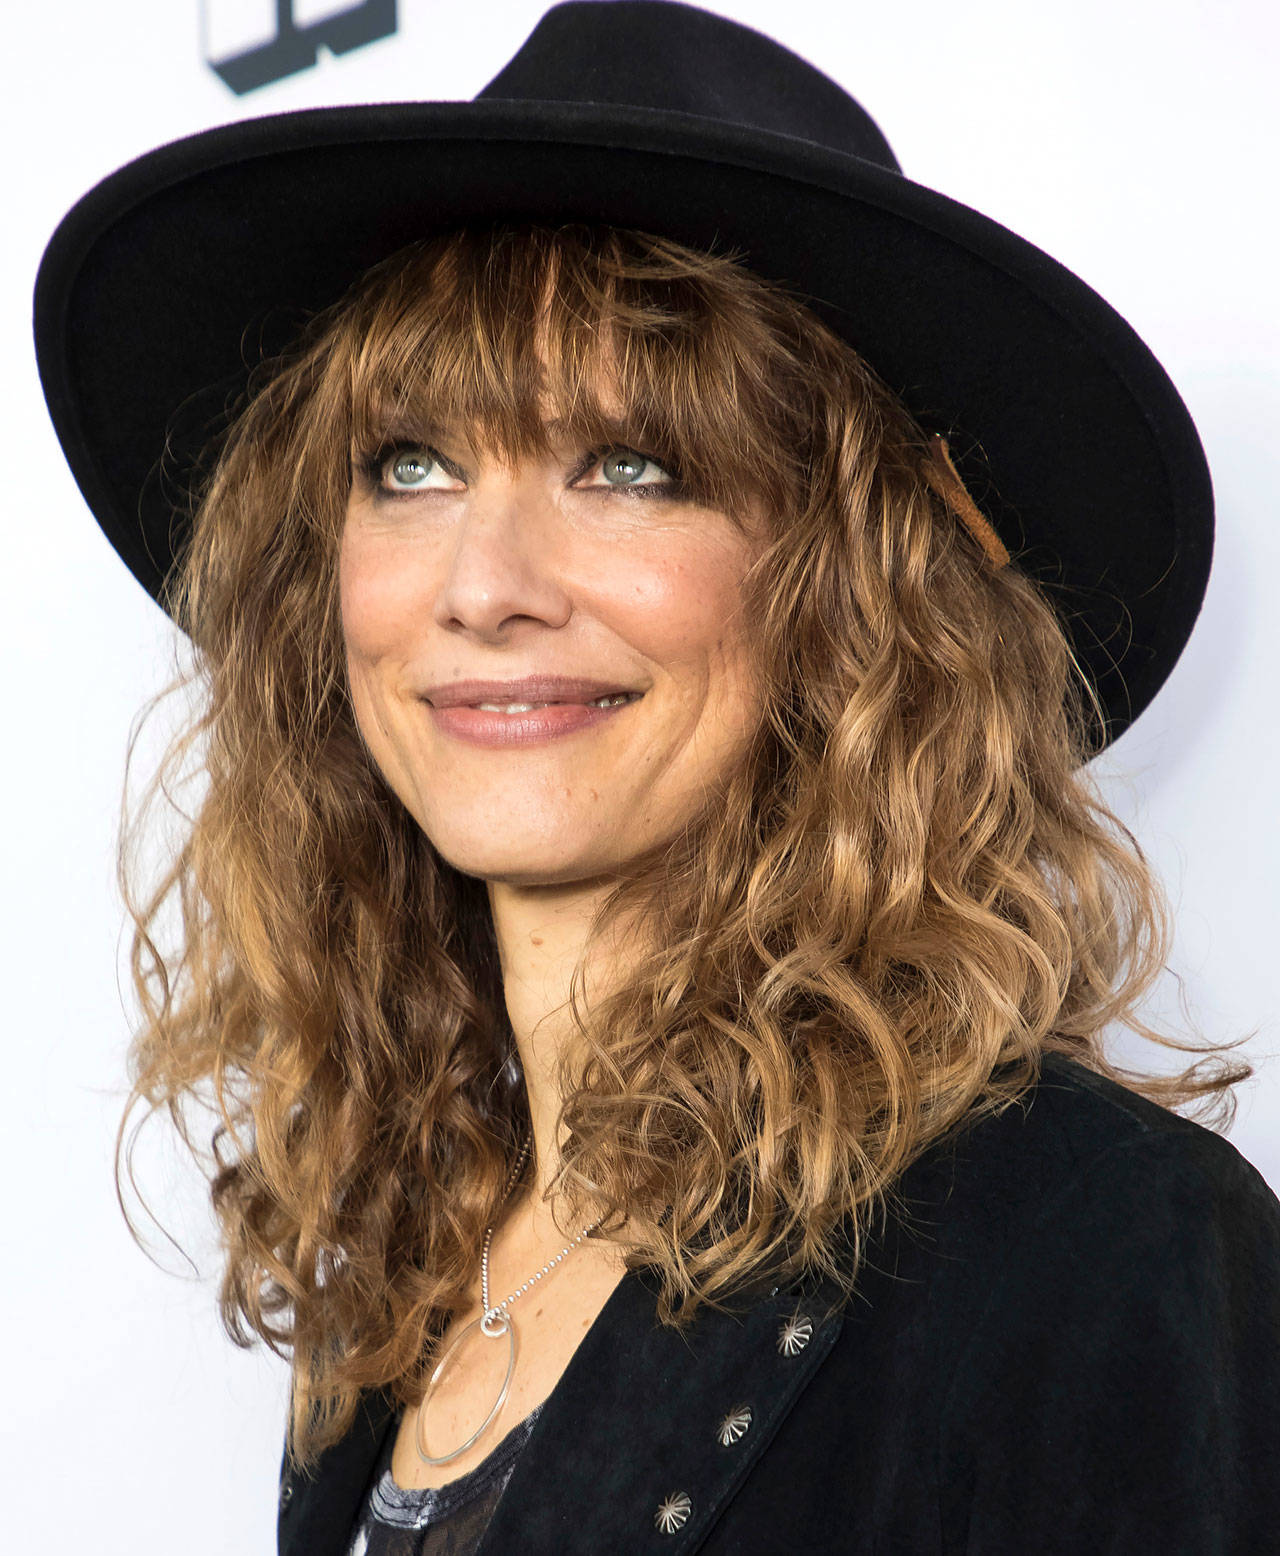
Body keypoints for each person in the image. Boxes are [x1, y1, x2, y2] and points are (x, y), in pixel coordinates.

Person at [33, 2, 1280, 1553]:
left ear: (851, 596)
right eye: (410, 465)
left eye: (630, 466)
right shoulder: (408, 1291)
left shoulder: (1097, 1254)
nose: (485, 585)